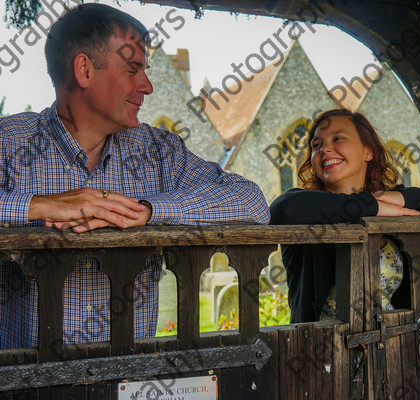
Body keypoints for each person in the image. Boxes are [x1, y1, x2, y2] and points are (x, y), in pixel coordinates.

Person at [0, 4, 269, 349]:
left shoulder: (160, 152)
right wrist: (37, 207)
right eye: (133, 69)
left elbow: (253, 202)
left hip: (131, 382)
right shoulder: (9, 143)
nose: (148, 86)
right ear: (84, 69)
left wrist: (148, 211)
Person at [269, 109, 420, 322]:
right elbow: (282, 209)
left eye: (338, 138)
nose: (324, 149)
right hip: (321, 352)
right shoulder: (301, 207)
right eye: (316, 145)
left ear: (368, 151)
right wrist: (370, 206)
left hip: (392, 348)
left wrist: (405, 199)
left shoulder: (394, 205)